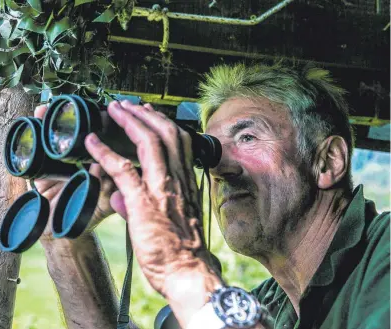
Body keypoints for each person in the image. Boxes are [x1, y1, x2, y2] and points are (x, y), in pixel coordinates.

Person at [33, 63, 390, 329]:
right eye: (210, 154)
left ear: (327, 161)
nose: (220, 170)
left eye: (247, 138)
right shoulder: (271, 304)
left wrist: (183, 267)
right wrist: (66, 239)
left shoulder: (384, 253)